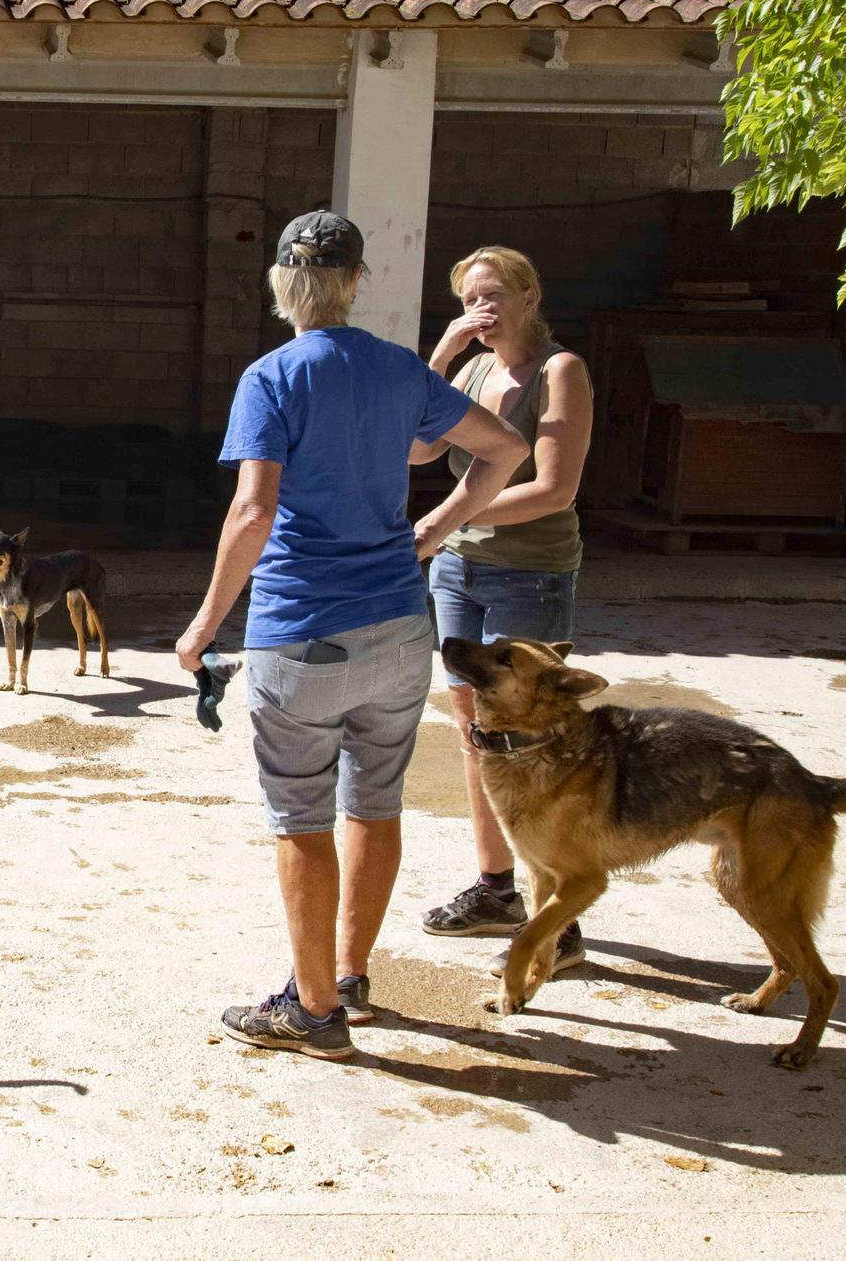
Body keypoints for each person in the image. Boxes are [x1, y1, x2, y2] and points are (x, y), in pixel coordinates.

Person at [177, 211, 526, 1060]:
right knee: (374, 800)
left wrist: (203, 624)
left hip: (304, 631)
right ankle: (350, 976)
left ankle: (315, 1011)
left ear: (281, 288)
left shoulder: (271, 377)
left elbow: (254, 510)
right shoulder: (401, 369)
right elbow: (507, 448)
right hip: (402, 624)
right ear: (358, 281)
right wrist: (436, 528)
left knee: (301, 816)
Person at [416, 247, 595, 977]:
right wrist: (445, 349)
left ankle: (563, 921)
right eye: (469, 300)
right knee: (475, 736)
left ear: (530, 293)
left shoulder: (561, 371)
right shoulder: (475, 368)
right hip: (461, 570)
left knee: (539, 748)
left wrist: (447, 521)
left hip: (531, 574)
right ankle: (497, 889)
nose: (481, 311)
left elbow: (555, 488)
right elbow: (417, 449)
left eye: (492, 297)